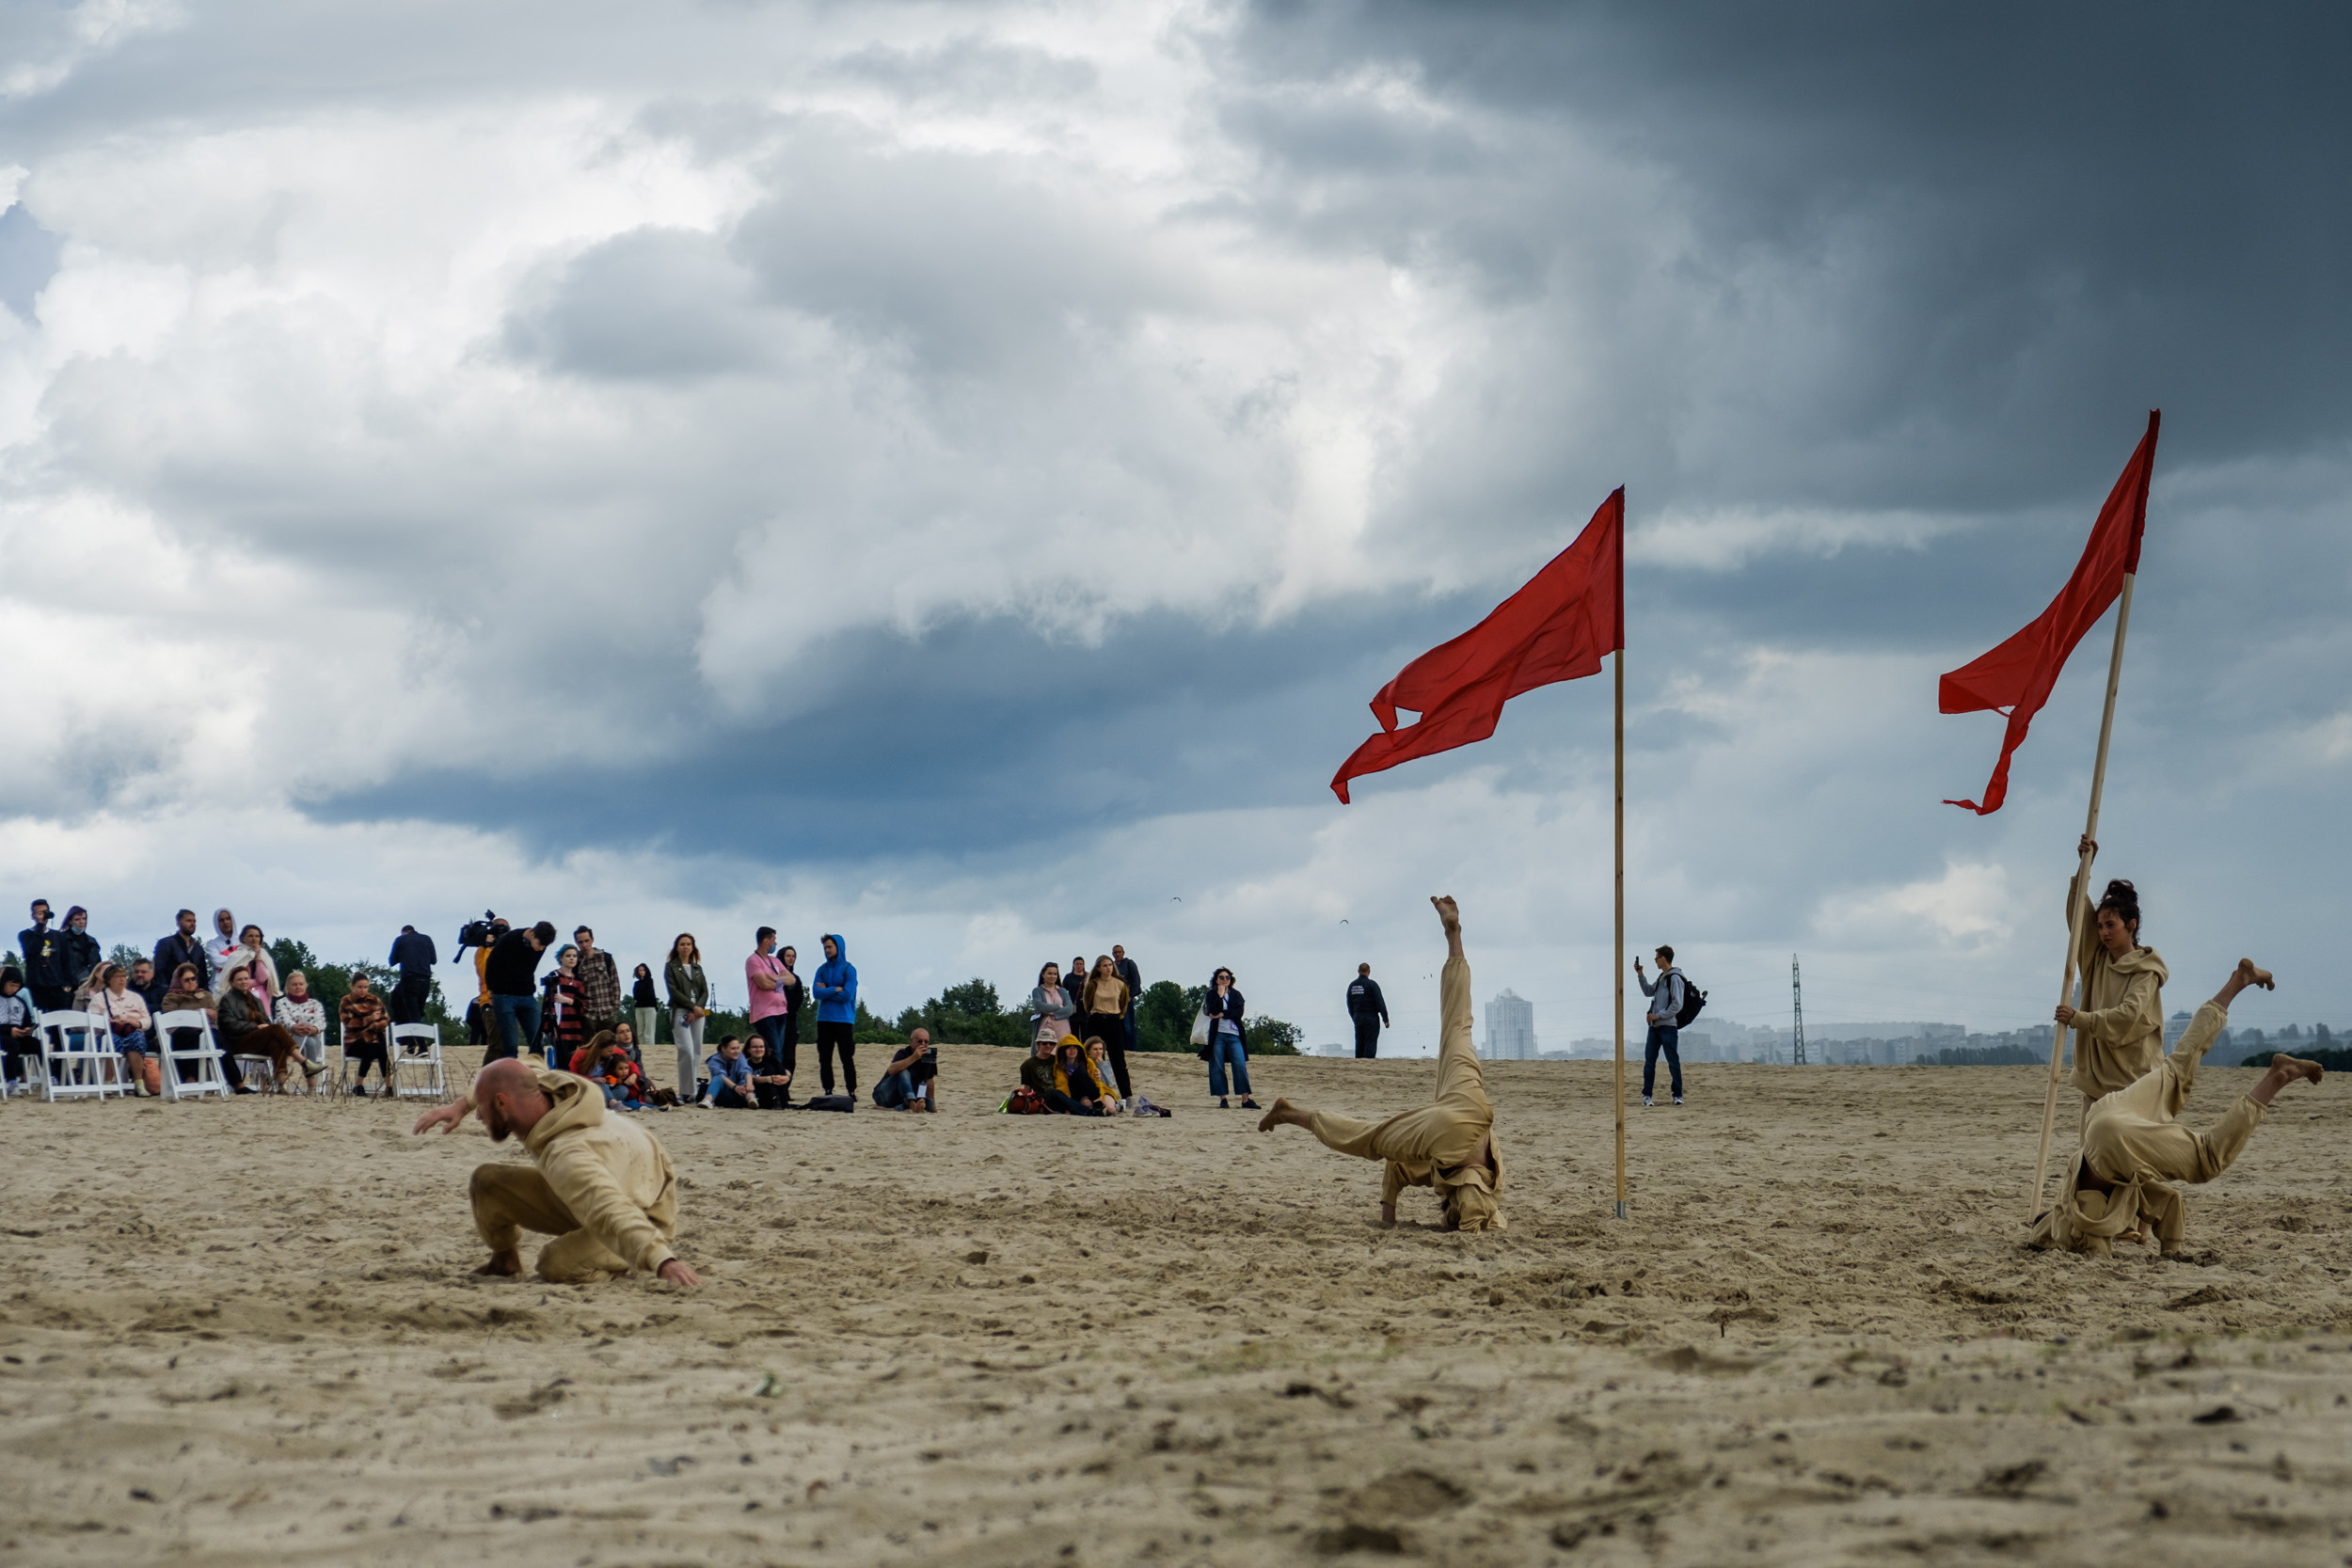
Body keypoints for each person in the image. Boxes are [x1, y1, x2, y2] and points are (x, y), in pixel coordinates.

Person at [2032, 958, 2318, 1259]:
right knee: (2177, 1066)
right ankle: (2237, 981)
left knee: (2208, 1157)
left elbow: (2093, 1249)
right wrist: (2172, 1251)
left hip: (2112, 1144)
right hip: (2102, 1117)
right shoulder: (2074, 1199)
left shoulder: (2075, 1223)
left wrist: (2072, 1243)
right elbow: (2167, 1200)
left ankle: (2278, 1076)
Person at [1258, 896, 1505, 1231]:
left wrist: (1389, 1222)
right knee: (1367, 1138)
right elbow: (1477, 1221)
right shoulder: (1471, 1190)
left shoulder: (1445, 1174)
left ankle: (1454, 937)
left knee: (1459, 1025)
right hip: (1450, 1128)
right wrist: (1473, 1224)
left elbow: (1398, 1169)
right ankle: (1290, 1113)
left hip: (1471, 1104)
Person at [411, 1056, 701, 1286]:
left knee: (555, 1264)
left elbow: (611, 1209)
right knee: (487, 1182)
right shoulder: (544, 1084)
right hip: (608, 1187)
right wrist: (461, 1105)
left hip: (643, 1218)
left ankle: (616, 1265)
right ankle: (505, 1262)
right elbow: (516, 1066)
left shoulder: (568, 1154)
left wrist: (663, 1260)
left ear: (501, 1102)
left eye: (483, 1108)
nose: (479, 1115)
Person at [2057, 838, 2168, 1121]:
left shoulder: (2146, 970)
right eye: (2100, 926)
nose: (2104, 932)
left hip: (2135, 1083)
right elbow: (2077, 916)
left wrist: (2078, 1018)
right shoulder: (2096, 958)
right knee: (2090, 1158)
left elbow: (2128, 1015)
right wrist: (2084, 867)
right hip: (2096, 1084)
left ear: (2130, 926)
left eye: (2111, 925)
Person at [218, 963, 323, 1088]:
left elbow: (266, 1021)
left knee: (275, 1043)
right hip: (238, 1041)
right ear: (232, 982)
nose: (244, 982)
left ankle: (281, 1084)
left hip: (257, 1039)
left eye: (246, 978)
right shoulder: (227, 1000)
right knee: (276, 1028)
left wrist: (263, 1027)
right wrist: (255, 1027)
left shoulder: (255, 1000)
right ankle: (304, 1062)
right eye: (239, 979)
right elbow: (229, 1026)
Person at [157, 962, 250, 1093]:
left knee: (219, 1040)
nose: (191, 982)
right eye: (187, 980)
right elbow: (171, 1017)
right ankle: (190, 1079)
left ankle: (237, 1084)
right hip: (180, 1033)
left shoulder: (205, 995)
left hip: (205, 1031)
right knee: (191, 1036)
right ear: (179, 981)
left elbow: (214, 1014)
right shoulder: (171, 998)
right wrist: (196, 1014)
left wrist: (212, 1014)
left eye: (193, 979)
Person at [484, 921, 554, 1063]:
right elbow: (491, 963)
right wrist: (490, 989)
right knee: (510, 1047)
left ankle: (539, 1076)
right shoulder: (511, 939)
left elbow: (529, 967)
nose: (541, 949)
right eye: (540, 944)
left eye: (544, 946)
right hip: (504, 995)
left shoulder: (541, 944)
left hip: (527, 995)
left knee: (537, 1043)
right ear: (532, 934)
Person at [87, 962, 152, 1093]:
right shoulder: (99, 999)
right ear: (109, 980)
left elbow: (147, 1020)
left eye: (124, 976)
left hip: (131, 1031)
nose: (122, 979)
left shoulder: (135, 997)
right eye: (117, 976)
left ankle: (138, 1083)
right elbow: (91, 1021)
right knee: (111, 1041)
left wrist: (134, 1022)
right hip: (108, 1033)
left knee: (136, 1040)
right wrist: (109, 1022)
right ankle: (108, 1082)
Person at [1633, 945, 1685, 1107]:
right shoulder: (1662, 977)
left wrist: (1658, 1015)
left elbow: (1677, 1004)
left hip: (1668, 1026)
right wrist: (1640, 974)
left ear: (1663, 958)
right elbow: (1648, 991)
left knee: (1672, 1061)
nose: (1655, 961)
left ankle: (1677, 1095)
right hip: (1654, 1028)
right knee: (1649, 1062)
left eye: (1656, 958)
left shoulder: (1674, 978)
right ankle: (1647, 1096)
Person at [1202, 966, 1257, 1110]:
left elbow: (1238, 1012)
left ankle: (1245, 1100)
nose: (1225, 980)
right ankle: (1223, 1099)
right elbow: (1212, 1010)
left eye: (1227, 977)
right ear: (1216, 979)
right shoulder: (1211, 994)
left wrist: (1222, 1014)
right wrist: (1219, 996)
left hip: (1234, 1035)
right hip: (1217, 1035)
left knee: (1240, 1065)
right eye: (1221, 977)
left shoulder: (1236, 995)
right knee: (1217, 1066)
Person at [746, 927, 793, 1097]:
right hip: (764, 1013)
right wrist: (780, 981)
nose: (775, 943)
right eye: (773, 939)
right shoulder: (753, 961)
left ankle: (779, 1088)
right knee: (773, 1051)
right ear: (766, 941)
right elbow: (762, 984)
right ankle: (776, 1089)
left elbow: (792, 979)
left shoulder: (774, 961)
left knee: (780, 1051)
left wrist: (775, 979)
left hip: (781, 1011)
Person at [664, 934, 710, 1103]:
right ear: (677, 947)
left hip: (698, 1013)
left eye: (688, 944)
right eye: (682, 944)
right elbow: (673, 991)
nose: (685, 947)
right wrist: (692, 1007)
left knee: (697, 1051)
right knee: (686, 1050)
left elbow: (704, 990)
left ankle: (694, 1091)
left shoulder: (697, 968)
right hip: (680, 1011)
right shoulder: (671, 967)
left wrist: (698, 1008)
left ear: (692, 947)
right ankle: (686, 1091)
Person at [1080, 956, 1134, 1100]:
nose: (1108, 968)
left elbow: (1123, 1004)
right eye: (1105, 965)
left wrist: (1116, 1015)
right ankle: (1095, 1092)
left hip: (1114, 1021)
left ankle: (1127, 1095)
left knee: (1118, 1061)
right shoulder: (1092, 984)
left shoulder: (1120, 983)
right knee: (1093, 1057)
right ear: (1098, 968)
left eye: (1110, 965)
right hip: (1096, 1020)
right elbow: (1087, 1003)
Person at [812, 933, 858, 1097]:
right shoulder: (822, 969)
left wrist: (827, 990)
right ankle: (828, 1089)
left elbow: (847, 995)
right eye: (825, 947)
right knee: (824, 1058)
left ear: (839, 947)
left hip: (844, 1020)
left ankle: (851, 1090)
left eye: (830, 947)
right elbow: (816, 993)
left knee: (846, 1057)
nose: (827, 950)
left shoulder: (849, 969)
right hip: (824, 1019)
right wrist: (834, 989)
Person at [340, 971, 391, 1097]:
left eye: (366, 987)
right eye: (360, 987)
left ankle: (366, 1085)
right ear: (352, 986)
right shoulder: (347, 1001)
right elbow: (348, 1022)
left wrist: (375, 1024)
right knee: (376, 1047)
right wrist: (369, 1019)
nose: (363, 990)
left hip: (375, 1036)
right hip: (354, 1041)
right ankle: (384, 1085)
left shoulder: (374, 1000)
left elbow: (386, 1019)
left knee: (378, 1047)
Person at [18, 900, 70, 1013]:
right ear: (33, 915)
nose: (42, 915)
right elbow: (31, 952)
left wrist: (66, 985)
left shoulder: (59, 936)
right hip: (36, 987)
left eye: (45, 912)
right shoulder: (26, 935)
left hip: (56, 987)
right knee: (38, 1022)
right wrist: (40, 926)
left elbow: (65, 961)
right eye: (39, 913)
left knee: (59, 1023)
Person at [571, 927, 621, 1039]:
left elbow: (615, 982)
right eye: (580, 942)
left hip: (607, 1011)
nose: (584, 945)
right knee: (588, 1048)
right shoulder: (576, 962)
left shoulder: (606, 958)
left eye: (586, 941)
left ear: (592, 940)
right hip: (588, 1013)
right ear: (576, 943)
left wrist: (615, 1005)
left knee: (609, 1046)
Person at [275, 970, 329, 1071]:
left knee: (308, 1033)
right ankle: (312, 1083)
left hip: (312, 1040)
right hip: (287, 1042)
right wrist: (295, 1027)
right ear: (288, 987)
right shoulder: (281, 1003)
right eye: (294, 984)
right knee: (309, 1041)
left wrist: (313, 1029)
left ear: (305, 986)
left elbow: (321, 1022)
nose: (298, 987)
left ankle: (291, 1058)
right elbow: (284, 1019)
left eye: (301, 984)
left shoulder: (315, 1004)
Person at [542, 944, 587, 1068]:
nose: (572, 958)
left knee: (573, 1062)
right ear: (560, 958)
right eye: (568, 956)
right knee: (560, 1061)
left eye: (574, 956)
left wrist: (567, 1000)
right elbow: (547, 1002)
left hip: (575, 1026)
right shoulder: (554, 976)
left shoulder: (579, 981)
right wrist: (548, 1027)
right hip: (559, 1025)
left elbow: (582, 1004)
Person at [218, 924, 279, 1012]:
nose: (254, 938)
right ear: (243, 938)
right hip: (240, 995)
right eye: (250, 936)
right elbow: (236, 979)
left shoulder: (264, 956)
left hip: (261, 995)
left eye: (257, 936)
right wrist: (255, 982)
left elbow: (262, 979)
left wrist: (258, 958)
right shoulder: (235, 956)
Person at [153, 909, 213, 999]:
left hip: (195, 996)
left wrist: (205, 995)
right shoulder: (166, 943)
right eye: (188, 921)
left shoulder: (198, 948)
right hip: (173, 996)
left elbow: (203, 974)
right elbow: (159, 971)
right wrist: (166, 992)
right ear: (178, 923)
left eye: (194, 921)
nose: (192, 924)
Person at [874, 1028, 937, 1112]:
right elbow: (892, 1070)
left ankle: (902, 1106)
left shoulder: (929, 1056)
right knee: (903, 1072)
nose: (923, 1044)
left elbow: (929, 1080)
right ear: (911, 1042)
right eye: (919, 1041)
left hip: (904, 1097)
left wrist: (933, 1105)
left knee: (929, 1104)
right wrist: (914, 1057)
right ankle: (911, 1104)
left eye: (926, 1042)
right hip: (885, 1093)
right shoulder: (903, 1053)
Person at [387, 924, 437, 1025]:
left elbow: (392, 961)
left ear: (403, 933)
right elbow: (433, 960)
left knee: (409, 1013)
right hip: (425, 981)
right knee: (418, 1013)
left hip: (409, 980)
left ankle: (412, 1038)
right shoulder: (427, 939)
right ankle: (416, 1038)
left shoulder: (400, 940)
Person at [0, 970, 40, 1087]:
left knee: (37, 1044)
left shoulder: (20, 1002)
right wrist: (9, 1031)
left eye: (17, 987)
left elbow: (26, 1022)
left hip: (17, 1035)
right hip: (2, 1036)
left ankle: (50, 1077)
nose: (14, 989)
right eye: (11, 985)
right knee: (13, 1045)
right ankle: (11, 1079)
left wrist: (27, 1030)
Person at [1053, 1037, 1109, 1117]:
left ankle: (1097, 1102)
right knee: (1080, 1071)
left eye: (1075, 1047)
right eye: (1069, 1048)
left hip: (1089, 1094)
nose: (1072, 1051)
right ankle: (1094, 1105)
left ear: (1079, 1049)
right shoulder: (1060, 1066)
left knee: (1110, 1109)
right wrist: (1068, 1106)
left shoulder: (1088, 1062)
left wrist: (1100, 1098)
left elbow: (1096, 1082)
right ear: (1063, 1050)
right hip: (1073, 1095)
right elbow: (1063, 1087)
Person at [58, 907, 103, 1009]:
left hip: (88, 987)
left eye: (84, 919)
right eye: (77, 919)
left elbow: (97, 965)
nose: (81, 922)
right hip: (69, 987)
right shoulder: (61, 939)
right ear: (70, 921)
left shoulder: (92, 942)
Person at [1026, 961, 1075, 1050]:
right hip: (1045, 1026)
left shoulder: (1063, 991)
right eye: (1049, 973)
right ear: (1043, 974)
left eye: (1055, 974)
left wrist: (1050, 1012)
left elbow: (1069, 1009)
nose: (1052, 976)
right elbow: (1039, 1006)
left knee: (1062, 1052)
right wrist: (1058, 1006)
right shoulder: (1037, 991)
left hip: (1063, 1028)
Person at [1346, 963, 1390, 1059]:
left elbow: (1349, 1004)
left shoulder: (1352, 986)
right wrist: (1385, 1019)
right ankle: (1368, 1063)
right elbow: (1380, 1002)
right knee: (1370, 1041)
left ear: (1358, 971)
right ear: (1369, 971)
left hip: (1358, 1016)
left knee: (1359, 1041)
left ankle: (1359, 1062)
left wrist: (1354, 1016)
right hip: (1371, 1017)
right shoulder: (1372, 985)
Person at [705, 1036, 755, 1109]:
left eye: (738, 1048)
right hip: (722, 1092)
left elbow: (746, 1071)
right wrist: (735, 1087)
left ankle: (751, 1100)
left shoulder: (740, 1056)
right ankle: (708, 1100)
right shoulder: (713, 1060)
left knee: (744, 1081)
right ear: (723, 1049)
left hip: (740, 1092)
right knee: (717, 1078)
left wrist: (749, 1084)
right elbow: (721, 1076)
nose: (737, 1051)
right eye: (733, 1048)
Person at [741, 1037, 792, 1109]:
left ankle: (781, 1100)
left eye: (761, 1047)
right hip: (757, 1095)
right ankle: (775, 1100)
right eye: (754, 1047)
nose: (758, 1049)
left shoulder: (770, 1060)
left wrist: (787, 1077)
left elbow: (784, 1071)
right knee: (769, 1069)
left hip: (773, 1091)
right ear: (748, 1050)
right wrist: (767, 1079)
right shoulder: (745, 1064)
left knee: (776, 1068)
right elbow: (748, 1078)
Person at [1113, 943, 1142, 1061]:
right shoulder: (1112, 966)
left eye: (1119, 952)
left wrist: (1130, 995)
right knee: (1117, 1026)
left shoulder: (1129, 964)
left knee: (1128, 1025)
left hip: (1126, 999)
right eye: (1115, 952)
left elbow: (1136, 981)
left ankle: (1131, 1049)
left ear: (1123, 952)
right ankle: (1120, 1048)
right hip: (1114, 1000)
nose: (1117, 954)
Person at [204, 910, 242, 1003]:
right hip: (219, 989)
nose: (225, 922)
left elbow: (248, 959)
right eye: (221, 920)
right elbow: (216, 961)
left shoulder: (243, 940)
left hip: (241, 985)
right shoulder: (212, 944)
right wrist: (239, 959)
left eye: (228, 919)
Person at [1084, 1036, 1124, 1114]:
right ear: (1088, 1050)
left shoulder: (1105, 1064)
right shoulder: (1084, 1063)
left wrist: (1101, 1064)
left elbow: (1109, 1083)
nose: (1098, 1052)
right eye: (1095, 1049)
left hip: (1105, 1091)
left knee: (1110, 1109)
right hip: (1090, 1092)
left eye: (1100, 1049)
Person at [630, 963, 660, 1053]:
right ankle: (642, 1050)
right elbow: (635, 996)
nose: (641, 972)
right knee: (640, 1031)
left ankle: (650, 1050)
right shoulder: (637, 983)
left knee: (649, 1031)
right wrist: (641, 995)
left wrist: (641, 994)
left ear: (646, 971)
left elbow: (649, 994)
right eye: (640, 970)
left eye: (643, 970)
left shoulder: (650, 981)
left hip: (650, 1007)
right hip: (639, 1007)